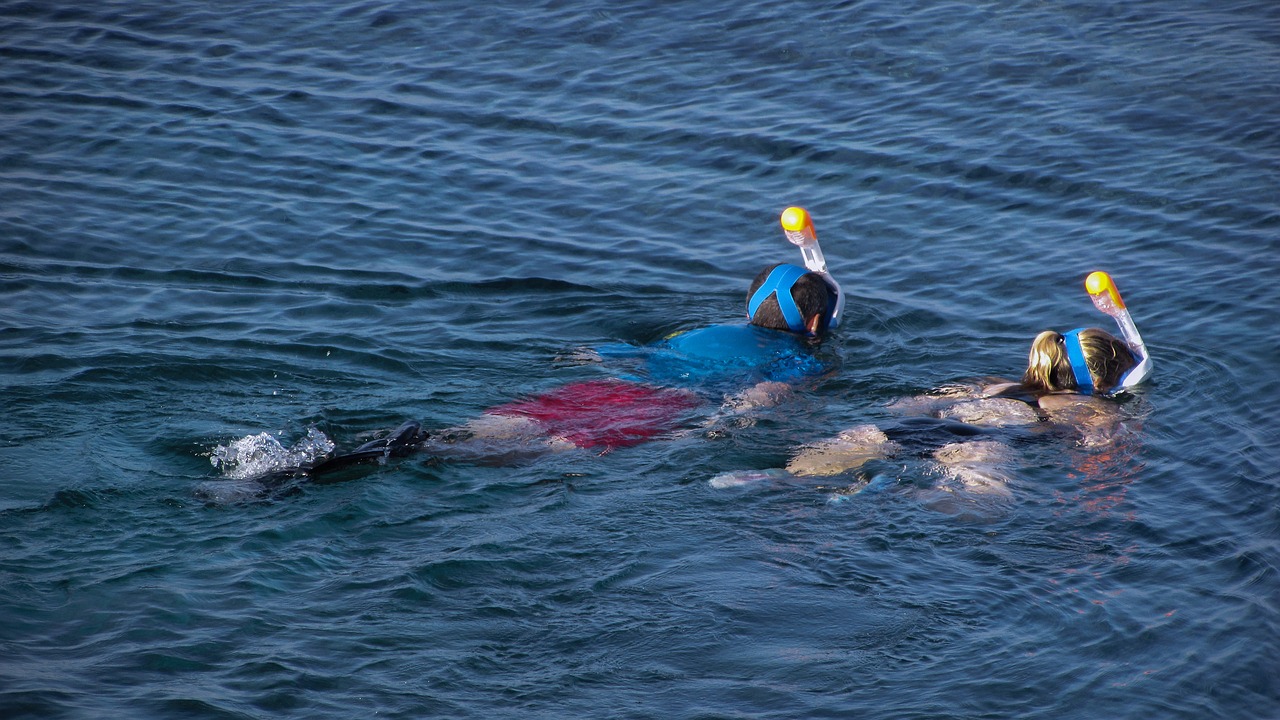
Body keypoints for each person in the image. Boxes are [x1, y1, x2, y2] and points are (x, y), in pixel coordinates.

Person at [211, 208, 845, 489]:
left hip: (611, 385)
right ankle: (401, 458)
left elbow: (611, 351)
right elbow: (763, 397)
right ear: (813, 329)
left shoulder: (697, 332)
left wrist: (590, 359)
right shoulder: (797, 357)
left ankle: (308, 462)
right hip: (659, 407)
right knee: (532, 456)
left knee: (485, 432)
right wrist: (722, 425)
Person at [717, 272, 1152, 508]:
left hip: (903, 428)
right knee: (985, 510)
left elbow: (909, 402)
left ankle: (770, 480)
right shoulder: (1088, 408)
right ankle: (885, 492)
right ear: (1098, 382)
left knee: (806, 470)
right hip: (980, 446)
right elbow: (1103, 459)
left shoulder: (991, 385)